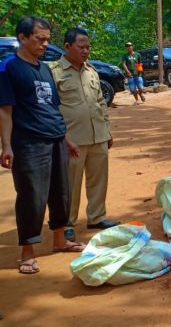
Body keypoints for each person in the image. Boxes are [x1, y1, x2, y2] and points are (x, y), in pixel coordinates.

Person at [0, 16, 85, 275]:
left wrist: (66, 139)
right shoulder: (8, 68)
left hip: (56, 138)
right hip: (28, 143)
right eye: (40, 39)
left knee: (61, 192)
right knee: (32, 196)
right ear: (23, 38)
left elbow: (52, 108)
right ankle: (28, 251)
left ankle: (60, 239)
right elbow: (5, 111)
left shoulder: (44, 68)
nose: (45, 44)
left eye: (47, 39)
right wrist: (6, 146)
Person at [51, 27, 120, 242]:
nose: (86, 51)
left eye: (88, 47)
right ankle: (67, 223)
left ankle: (97, 216)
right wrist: (61, 136)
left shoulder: (91, 71)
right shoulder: (54, 72)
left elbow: (100, 102)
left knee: (98, 179)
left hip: (97, 134)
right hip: (72, 139)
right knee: (70, 184)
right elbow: (51, 108)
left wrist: (106, 130)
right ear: (67, 47)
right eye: (81, 47)